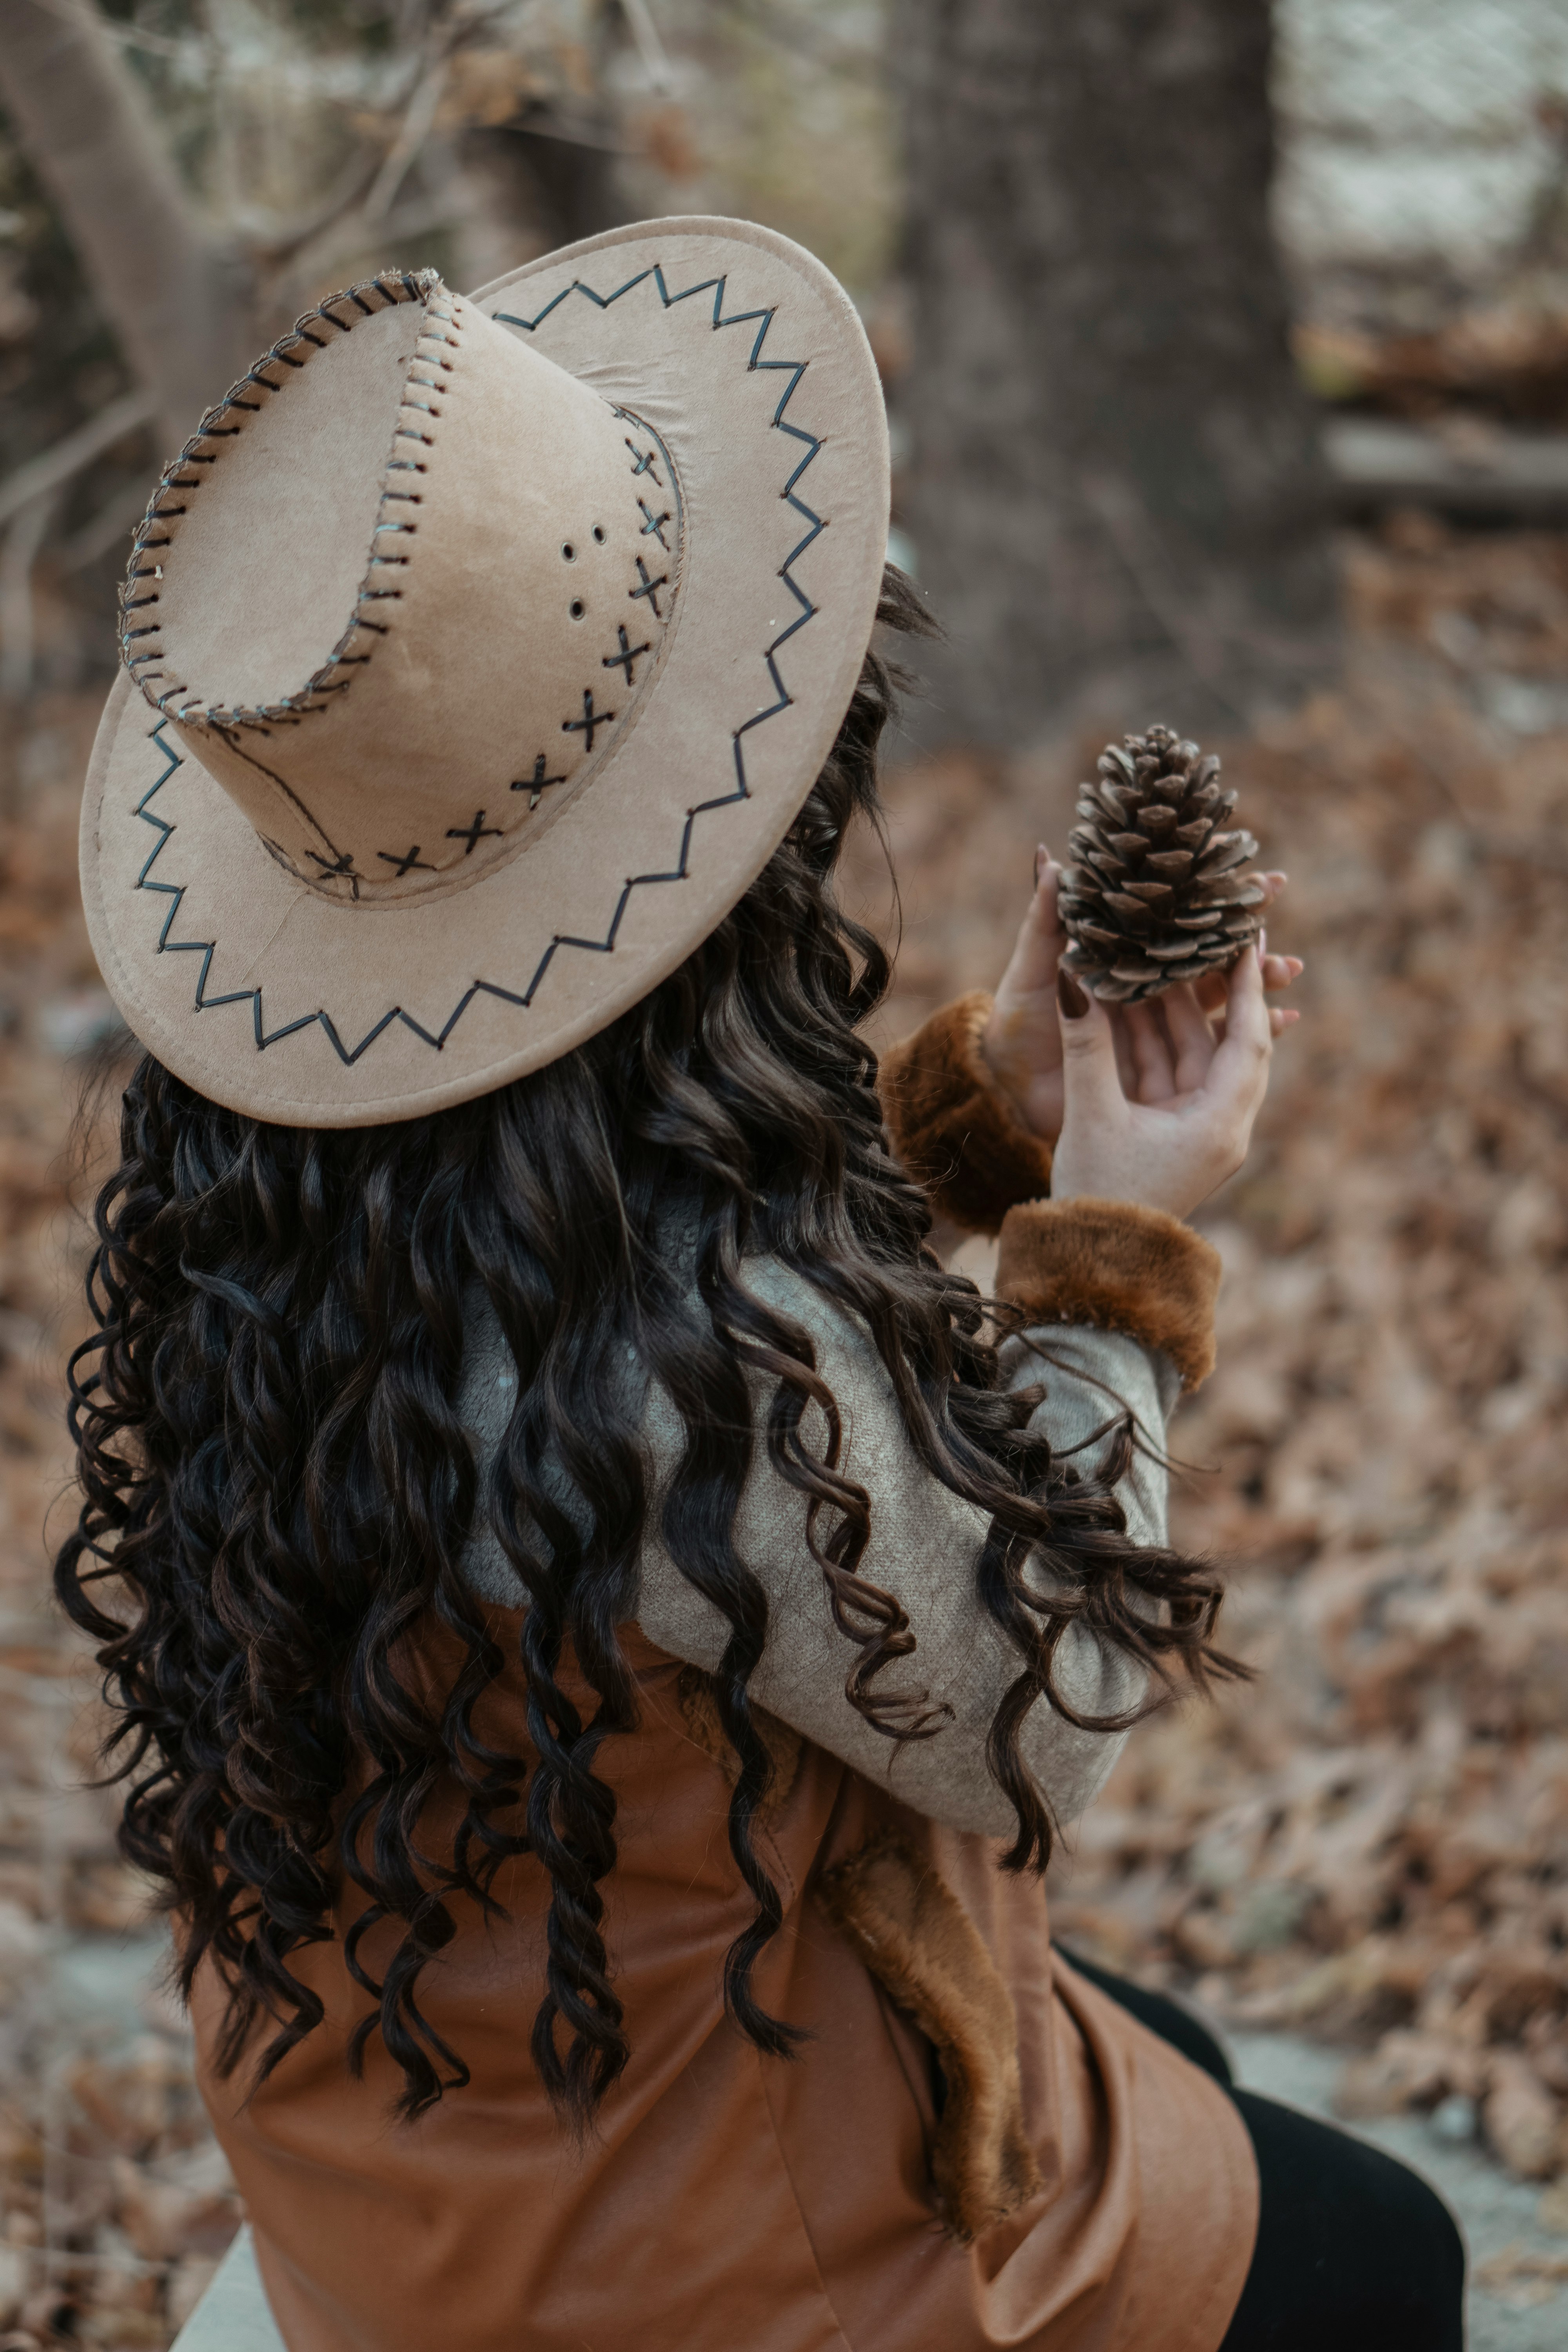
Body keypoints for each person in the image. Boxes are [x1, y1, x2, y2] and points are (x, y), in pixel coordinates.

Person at [61, 219, 1463, 2352]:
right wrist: (1117, 1236)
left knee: (1153, 2028)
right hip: (696, 2260)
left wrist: (973, 1121)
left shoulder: (266, 1236)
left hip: (404, 2150)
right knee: (1392, 2250)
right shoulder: (692, 1356)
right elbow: (1037, 1714)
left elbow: (618, 1311)